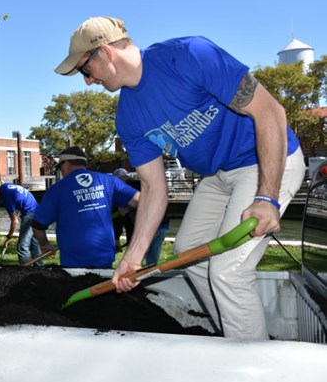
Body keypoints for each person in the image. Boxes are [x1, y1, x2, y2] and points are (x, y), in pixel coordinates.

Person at [55, 17, 305, 339]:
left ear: (104, 52)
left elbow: (271, 112)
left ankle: (252, 365)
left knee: (227, 272)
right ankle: (236, 336)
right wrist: (131, 258)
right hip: (219, 176)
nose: (87, 81)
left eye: (85, 70)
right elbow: (153, 188)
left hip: (265, 162)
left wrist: (267, 197)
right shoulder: (128, 116)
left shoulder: (188, 55)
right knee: (188, 252)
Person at [31, 147, 139, 268]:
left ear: (66, 164)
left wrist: (45, 244)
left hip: (73, 259)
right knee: (102, 285)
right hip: (104, 255)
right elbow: (139, 200)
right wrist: (127, 209)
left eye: (60, 167)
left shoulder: (56, 190)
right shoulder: (109, 181)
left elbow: (38, 226)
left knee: (78, 287)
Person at [112, 168, 170, 266]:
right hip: (162, 223)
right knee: (153, 258)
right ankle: (151, 276)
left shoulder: (125, 190)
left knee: (136, 259)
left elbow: (122, 217)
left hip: (147, 226)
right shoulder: (143, 185)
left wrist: (117, 237)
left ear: (121, 178)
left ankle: (131, 277)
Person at [0, 180, 43, 266]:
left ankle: (25, 272)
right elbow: (19, 197)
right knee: (33, 243)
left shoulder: (6, 197)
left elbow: (14, 221)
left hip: (30, 213)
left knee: (22, 247)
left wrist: (9, 237)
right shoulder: (4, 186)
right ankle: (40, 268)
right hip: (36, 208)